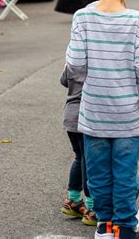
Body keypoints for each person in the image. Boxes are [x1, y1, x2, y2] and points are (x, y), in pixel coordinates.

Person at [66, 0, 139, 239]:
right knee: (125, 174)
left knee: (98, 175)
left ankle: (104, 227)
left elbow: (75, 65)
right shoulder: (137, 23)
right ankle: (125, 228)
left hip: (92, 113)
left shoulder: (82, 18)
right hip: (128, 117)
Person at [59, 65, 97, 226]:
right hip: (84, 117)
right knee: (88, 161)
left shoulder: (73, 62)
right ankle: (91, 208)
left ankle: (72, 200)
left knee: (79, 156)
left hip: (70, 116)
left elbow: (64, 81)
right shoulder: (94, 64)